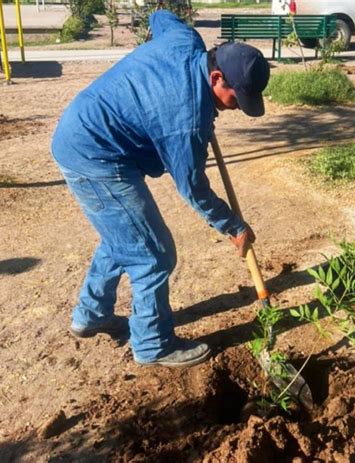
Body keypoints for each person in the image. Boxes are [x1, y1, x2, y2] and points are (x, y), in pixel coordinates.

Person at [51, 10, 270, 368]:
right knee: (153, 253)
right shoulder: (186, 122)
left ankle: (91, 314)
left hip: (86, 131)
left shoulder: (188, 42)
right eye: (236, 98)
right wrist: (233, 226)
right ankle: (152, 344)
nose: (235, 109)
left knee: (125, 237)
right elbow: (194, 188)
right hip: (95, 155)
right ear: (216, 76)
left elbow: (161, 16)